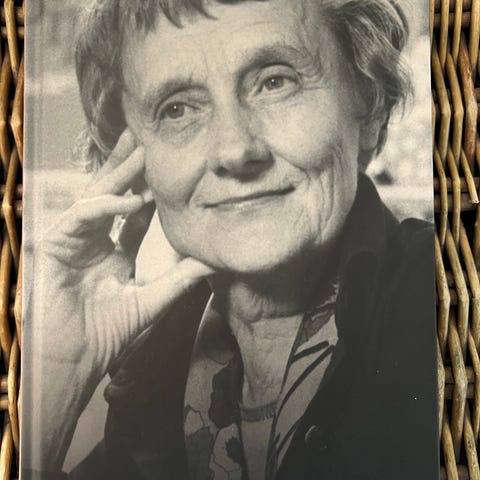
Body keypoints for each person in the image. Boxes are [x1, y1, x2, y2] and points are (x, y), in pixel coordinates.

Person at [22, 0, 438, 479]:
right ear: (135, 164)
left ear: (367, 107)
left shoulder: (449, 305)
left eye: (275, 81)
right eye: (177, 109)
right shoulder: (154, 374)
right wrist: (56, 370)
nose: (236, 150)